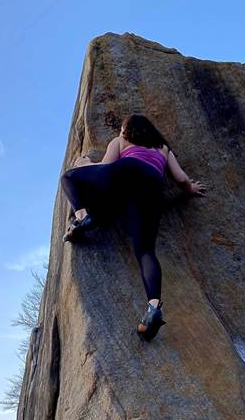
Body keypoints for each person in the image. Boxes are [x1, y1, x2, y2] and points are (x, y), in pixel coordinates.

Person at [60, 114, 207, 341]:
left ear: (126, 130)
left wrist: (85, 164)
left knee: (69, 177)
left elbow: (107, 167)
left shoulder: (120, 142)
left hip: (125, 171)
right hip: (151, 189)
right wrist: (190, 188)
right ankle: (153, 307)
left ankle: (82, 217)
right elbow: (180, 178)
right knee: (145, 250)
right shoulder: (163, 149)